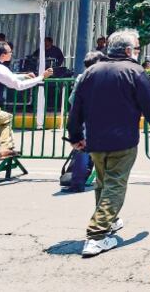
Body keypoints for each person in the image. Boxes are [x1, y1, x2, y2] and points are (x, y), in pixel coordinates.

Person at [67, 30, 150, 257]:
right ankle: (97, 234)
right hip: (123, 139)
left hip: (96, 140)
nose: (138, 52)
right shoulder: (134, 71)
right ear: (129, 51)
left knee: (102, 182)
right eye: (137, 49)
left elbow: (76, 108)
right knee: (114, 185)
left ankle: (107, 222)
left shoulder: (91, 72)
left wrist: (75, 136)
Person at [0, 41, 51, 159]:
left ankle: (6, 148)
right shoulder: (0, 68)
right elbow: (19, 86)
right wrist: (41, 77)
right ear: (3, 55)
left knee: (6, 117)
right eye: (10, 52)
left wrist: (23, 75)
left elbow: (7, 77)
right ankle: (5, 148)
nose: (11, 54)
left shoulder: (0, 69)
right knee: (6, 118)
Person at [64, 51, 105, 193]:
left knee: (83, 150)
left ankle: (77, 183)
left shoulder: (81, 78)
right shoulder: (106, 77)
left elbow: (72, 100)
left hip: (86, 118)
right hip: (103, 119)